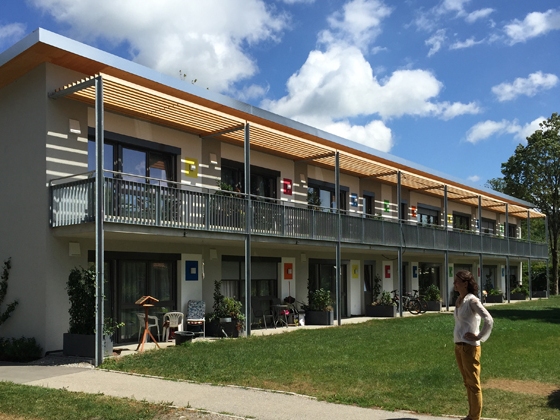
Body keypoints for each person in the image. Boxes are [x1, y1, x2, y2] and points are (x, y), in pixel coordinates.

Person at [453, 269, 494, 420]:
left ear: (465, 283)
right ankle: (471, 415)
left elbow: (488, 319)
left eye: (457, 281)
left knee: (474, 384)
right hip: (459, 346)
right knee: (467, 382)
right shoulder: (459, 300)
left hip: (470, 347)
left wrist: (479, 336)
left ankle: (474, 417)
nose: (454, 284)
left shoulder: (472, 300)